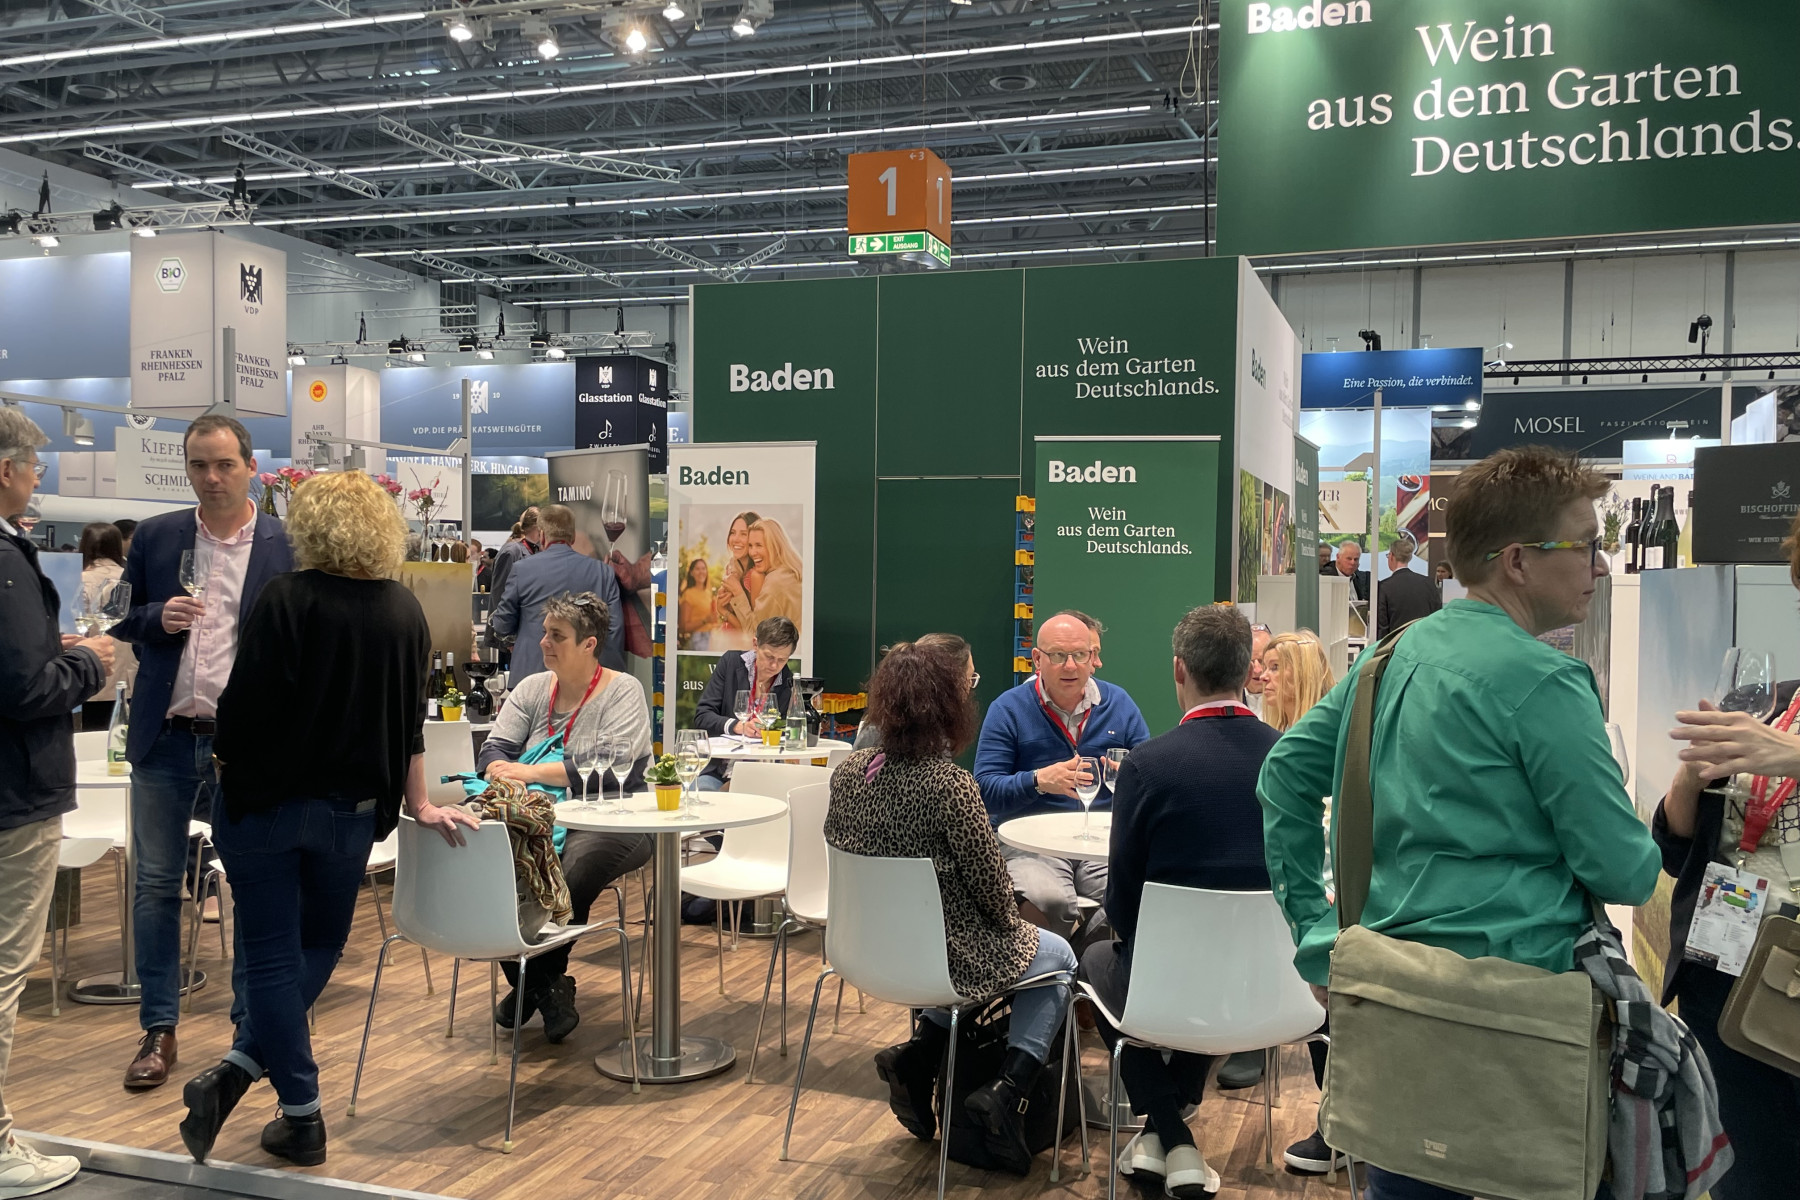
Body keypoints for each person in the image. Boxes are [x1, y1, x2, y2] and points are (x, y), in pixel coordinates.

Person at [1258, 446, 1662, 1200]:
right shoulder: (1547, 679)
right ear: (1517, 560)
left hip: (1395, 1002)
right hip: (1517, 1024)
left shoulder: (1394, 656)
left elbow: (1283, 775)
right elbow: (1624, 870)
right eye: (1587, 544)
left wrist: (1317, 935)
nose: (1601, 566)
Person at [177, 470, 476, 1169]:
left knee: (274, 958)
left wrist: (225, 767)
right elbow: (410, 724)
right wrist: (419, 802)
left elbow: (241, 712)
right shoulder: (405, 610)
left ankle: (289, 1106)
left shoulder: (287, 599)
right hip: (352, 817)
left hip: (267, 810)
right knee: (318, 950)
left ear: (309, 528)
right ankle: (253, 1085)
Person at [830, 641, 1076, 1176]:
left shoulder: (848, 776)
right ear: (949, 707)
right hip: (942, 957)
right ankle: (1007, 1092)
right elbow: (993, 896)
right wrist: (1015, 923)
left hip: (863, 951)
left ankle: (920, 1057)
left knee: (967, 956)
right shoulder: (951, 787)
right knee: (1057, 955)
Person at [110, 414, 293, 1092]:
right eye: (198, 465)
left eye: (222, 464)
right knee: (155, 886)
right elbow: (124, 616)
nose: (211, 478)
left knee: (251, 888)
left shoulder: (284, 544)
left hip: (246, 748)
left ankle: (249, 1033)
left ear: (251, 466)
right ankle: (158, 1028)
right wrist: (157, 619)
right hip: (165, 739)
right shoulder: (158, 537)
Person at [1083, 604, 1276, 1197]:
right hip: (1270, 982)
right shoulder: (1288, 756)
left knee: (1091, 963)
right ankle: (1171, 1137)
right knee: (1202, 979)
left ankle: (1171, 1135)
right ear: (1248, 670)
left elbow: (1121, 901)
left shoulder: (1148, 765)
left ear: (1177, 670)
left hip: (1174, 979)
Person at [1654, 510, 1800, 1198]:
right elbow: (1675, 842)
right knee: (1743, 1174)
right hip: (1724, 975)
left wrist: (1794, 755)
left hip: (1792, 982)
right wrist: (1691, 775)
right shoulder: (1778, 701)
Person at [0, 407, 113, 1197]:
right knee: (5, 968)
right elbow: (23, 687)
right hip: (13, 794)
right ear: (6, 468)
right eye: (34, 465)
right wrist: (90, 667)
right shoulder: (7, 560)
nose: (39, 478)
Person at [478, 592, 652, 1044]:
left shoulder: (623, 691)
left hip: (616, 820)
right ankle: (545, 986)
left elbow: (617, 770)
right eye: (545, 633)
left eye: (557, 636)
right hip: (538, 816)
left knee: (568, 872)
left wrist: (528, 771)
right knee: (498, 868)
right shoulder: (534, 688)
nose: (543, 643)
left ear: (589, 644)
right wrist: (502, 769)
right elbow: (494, 749)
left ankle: (529, 983)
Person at [972, 612, 1147, 938]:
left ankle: (1084, 971)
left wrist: (1136, 775)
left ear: (1092, 657)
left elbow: (1149, 774)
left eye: (1079, 655)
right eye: (1058, 656)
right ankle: (1048, 981)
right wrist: (1037, 781)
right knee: (1048, 901)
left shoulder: (1119, 704)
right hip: (1031, 844)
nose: (1070, 666)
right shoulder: (1008, 709)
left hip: (1103, 842)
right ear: (1037, 659)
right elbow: (984, 788)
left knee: (1135, 899)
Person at [489, 504, 624, 683]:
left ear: (542, 535)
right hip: (585, 678)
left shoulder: (522, 569)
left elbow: (502, 623)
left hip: (531, 675)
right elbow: (614, 628)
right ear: (573, 536)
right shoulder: (603, 572)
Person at [692, 616, 798, 791]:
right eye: (769, 656)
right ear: (755, 644)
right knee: (704, 795)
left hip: (764, 771)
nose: (774, 665)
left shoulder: (788, 682)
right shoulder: (731, 663)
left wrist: (772, 731)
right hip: (719, 770)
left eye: (782, 660)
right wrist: (737, 726)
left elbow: (788, 731)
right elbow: (703, 715)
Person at [853, 633, 977, 751]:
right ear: (949, 682)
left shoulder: (936, 728)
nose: (970, 685)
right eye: (969, 677)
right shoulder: (880, 733)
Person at [78, 521, 136, 731]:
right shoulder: (129, 579)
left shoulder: (76, 578)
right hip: (126, 675)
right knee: (120, 740)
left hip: (86, 669)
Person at [719, 516, 803, 637]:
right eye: (751, 546)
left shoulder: (774, 583)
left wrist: (737, 593)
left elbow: (755, 635)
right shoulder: (791, 572)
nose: (752, 552)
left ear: (775, 545)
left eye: (759, 545)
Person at [1260, 631, 1334, 733]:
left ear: (1302, 673)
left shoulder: (1327, 734)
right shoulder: (1275, 734)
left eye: (1275, 667)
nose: (1263, 677)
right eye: (1265, 668)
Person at [708, 510, 761, 649]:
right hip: (728, 640)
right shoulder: (731, 569)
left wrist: (723, 611)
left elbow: (751, 631)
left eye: (744, 534)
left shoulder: (756, 576)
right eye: (733, 532)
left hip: (742, 646)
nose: (735, 539)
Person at [1375, 535, 1441, 638]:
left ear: (1391, 556)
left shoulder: (1384, 587)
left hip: (1397, 647)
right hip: (1423, 645)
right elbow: (1437, 618)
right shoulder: (1428, 583)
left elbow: (1382, 626)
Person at [487, 505, 542, 610]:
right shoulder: (511, 552)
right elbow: (500, 594)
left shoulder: (536, 550)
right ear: (538, 526)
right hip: (509, 622)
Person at [678, 557, 717, 647]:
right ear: (691, 573)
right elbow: (684, 627)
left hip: (711, 636)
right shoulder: (688, 594)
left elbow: (712, 620)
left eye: (703, 568)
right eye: (697, 569)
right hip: (698, 639)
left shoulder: (708, 592)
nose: (701, 572)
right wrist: (705, 621)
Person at [1242, 622, 1272, 719]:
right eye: (1250, 661)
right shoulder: (1228, 700)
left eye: (1262, 661)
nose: (1257, 670)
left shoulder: (1287, 700)